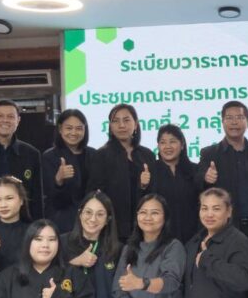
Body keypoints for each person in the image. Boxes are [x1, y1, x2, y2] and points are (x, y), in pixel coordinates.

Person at [197, 100, 248, 247]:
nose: (234, 122)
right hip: (224, 229)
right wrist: (206, 178)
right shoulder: (209, 154)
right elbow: (197, 182)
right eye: (229, 118)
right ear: (222, 122)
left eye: (239, 117)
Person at [87, 103, 156, 240]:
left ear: (136, 124)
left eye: (126, 120)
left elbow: (155, 194)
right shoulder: (101, 155)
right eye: (116, 121)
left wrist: (143, 186)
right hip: (112, 228)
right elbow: (93, 193)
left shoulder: (147, 155)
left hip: (144, 225)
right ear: (110, 126)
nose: (121, 125)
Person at [42, 109, 95, 235]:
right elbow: (49, 197)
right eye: (69, 128)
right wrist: (58, 180)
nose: (74, 132)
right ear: (60, 129)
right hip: (63, 223)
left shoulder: (94, 154)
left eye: (79, 128)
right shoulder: (49, 156)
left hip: (91, 221)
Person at [152, 124, 202, 244]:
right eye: (163, 142)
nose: (167, 146)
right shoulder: (150, 171)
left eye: (172, 141)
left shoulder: (195, 170)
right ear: (158, 146)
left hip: (193, 238)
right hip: (160, 239)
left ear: (182, 145)